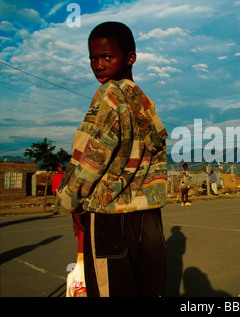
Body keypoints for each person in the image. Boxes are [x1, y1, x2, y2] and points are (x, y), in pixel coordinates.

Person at [56, 22, 167, 297]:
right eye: (93, 58)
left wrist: (72, 202)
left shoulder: (109, 96)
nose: (99, 65)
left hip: (110, 219)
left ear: (130, 58)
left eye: (107, 57)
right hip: (148, 216)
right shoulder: (143, 102)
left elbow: (90, 157)